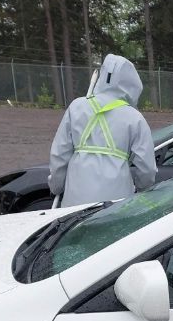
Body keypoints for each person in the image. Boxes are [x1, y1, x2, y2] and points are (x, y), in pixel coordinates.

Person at [49, 54, 157, 207]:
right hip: (116, 203)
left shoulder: (76, 107)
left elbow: (59, 155)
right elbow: (147, 169)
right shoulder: (134, 118)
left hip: (74, 201)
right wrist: (142, 189)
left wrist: (56, 186)